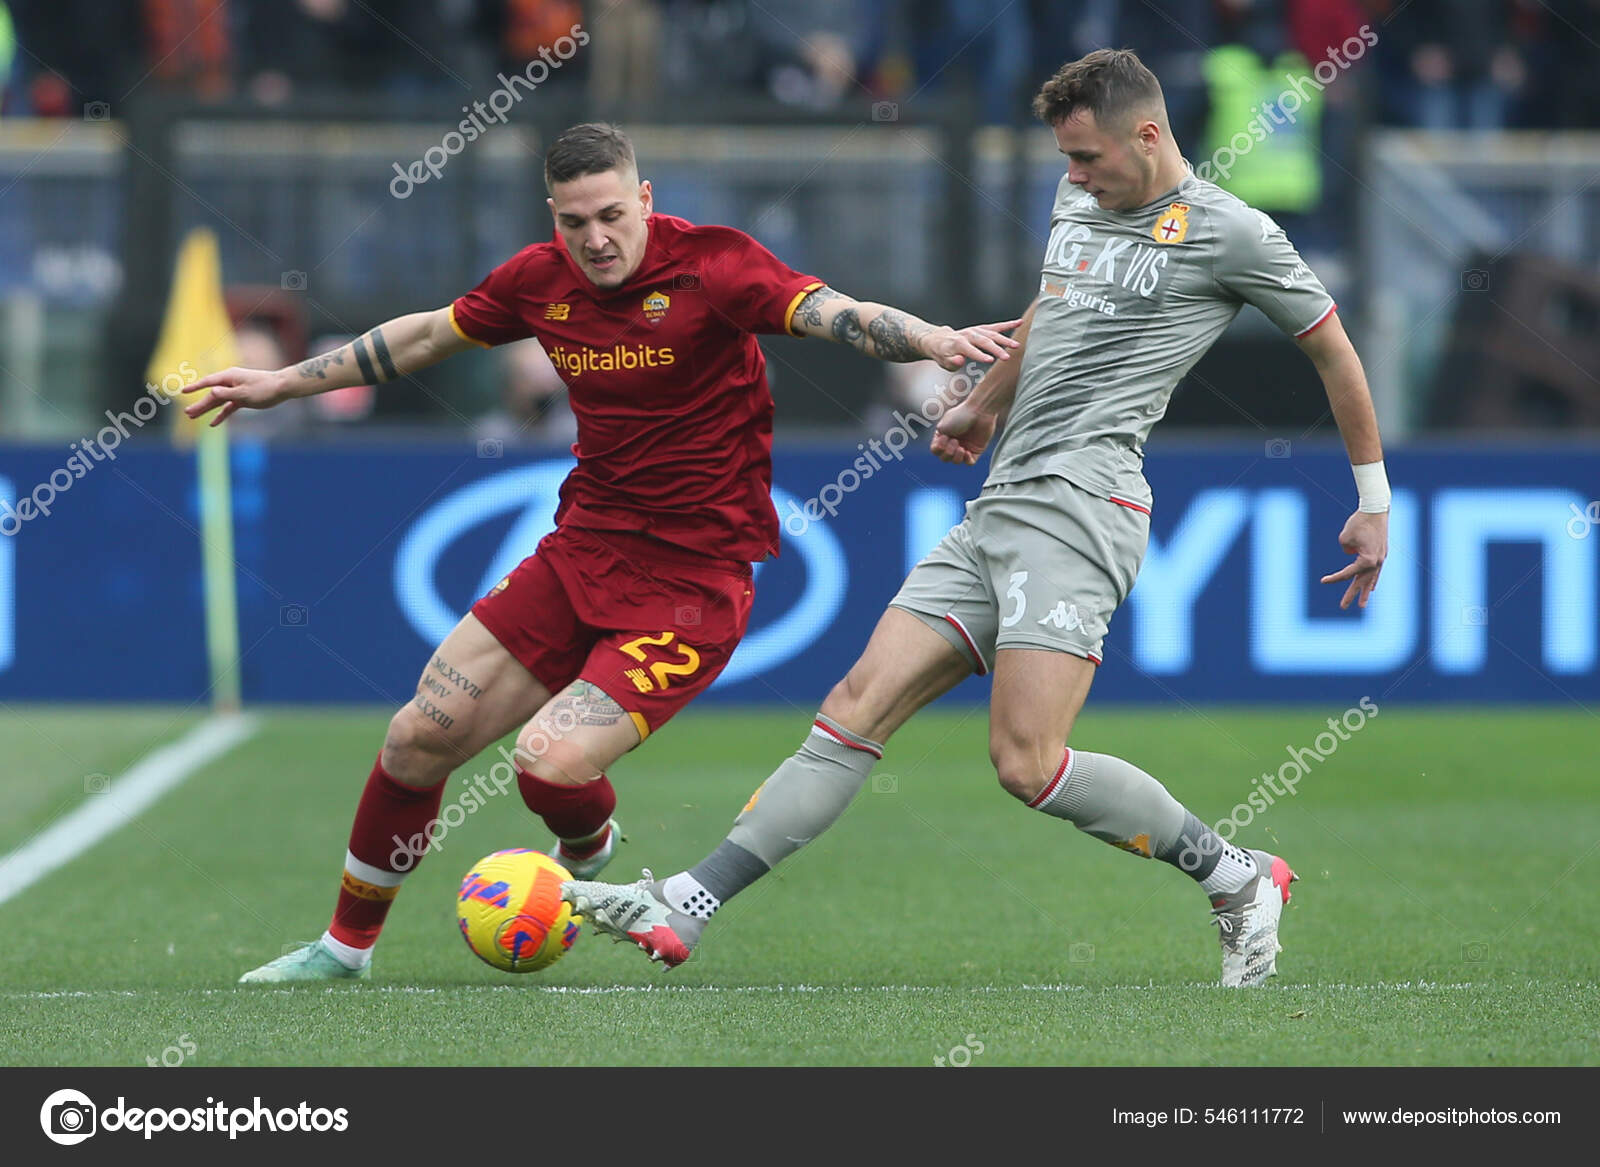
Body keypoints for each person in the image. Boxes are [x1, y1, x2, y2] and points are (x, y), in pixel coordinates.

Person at [566, 49, 1390, 988]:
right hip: (1002, 502)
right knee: (850, 710)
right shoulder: (1079, 204)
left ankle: (1239, 875)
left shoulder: (1228, 232)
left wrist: (1372, 502)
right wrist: (986, 401)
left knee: (1026, 761)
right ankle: (689, 901)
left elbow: (1335, 353)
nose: (1071, 177)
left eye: (1085, 157)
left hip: (1083, 508)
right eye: (1065, 159)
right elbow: (1055, 307)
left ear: (1149, 136)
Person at [185, 122, 1019, 982]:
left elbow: (832, 310)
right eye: (575, 221)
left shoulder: (713, 265)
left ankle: (587, 843)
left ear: (646, 201)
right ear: (554, 217)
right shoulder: (538, 282)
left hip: (693, 586)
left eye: (613, 215)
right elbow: (428, 335)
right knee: (414, 739)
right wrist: (287, 379)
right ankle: (343, 950)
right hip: (581, 552)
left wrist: (928, 338)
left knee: (546, 765)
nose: (597, 239)